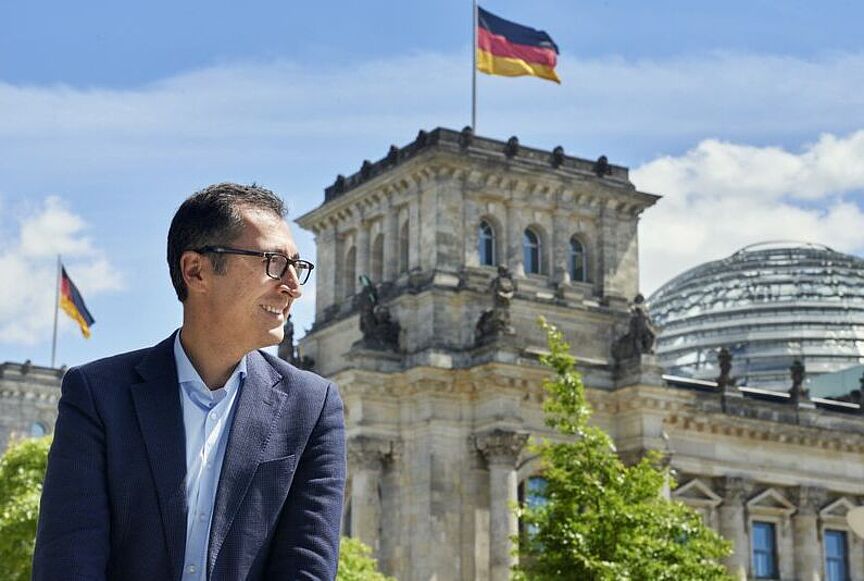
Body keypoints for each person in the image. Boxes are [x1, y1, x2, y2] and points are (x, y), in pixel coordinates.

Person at [33, 183, 346, 580]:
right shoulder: (97, 395)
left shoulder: (313, 407)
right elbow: (68, 564)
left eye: (297, 266)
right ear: (195, 270)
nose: (293, 287)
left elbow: (307, 569)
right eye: (272, 262)